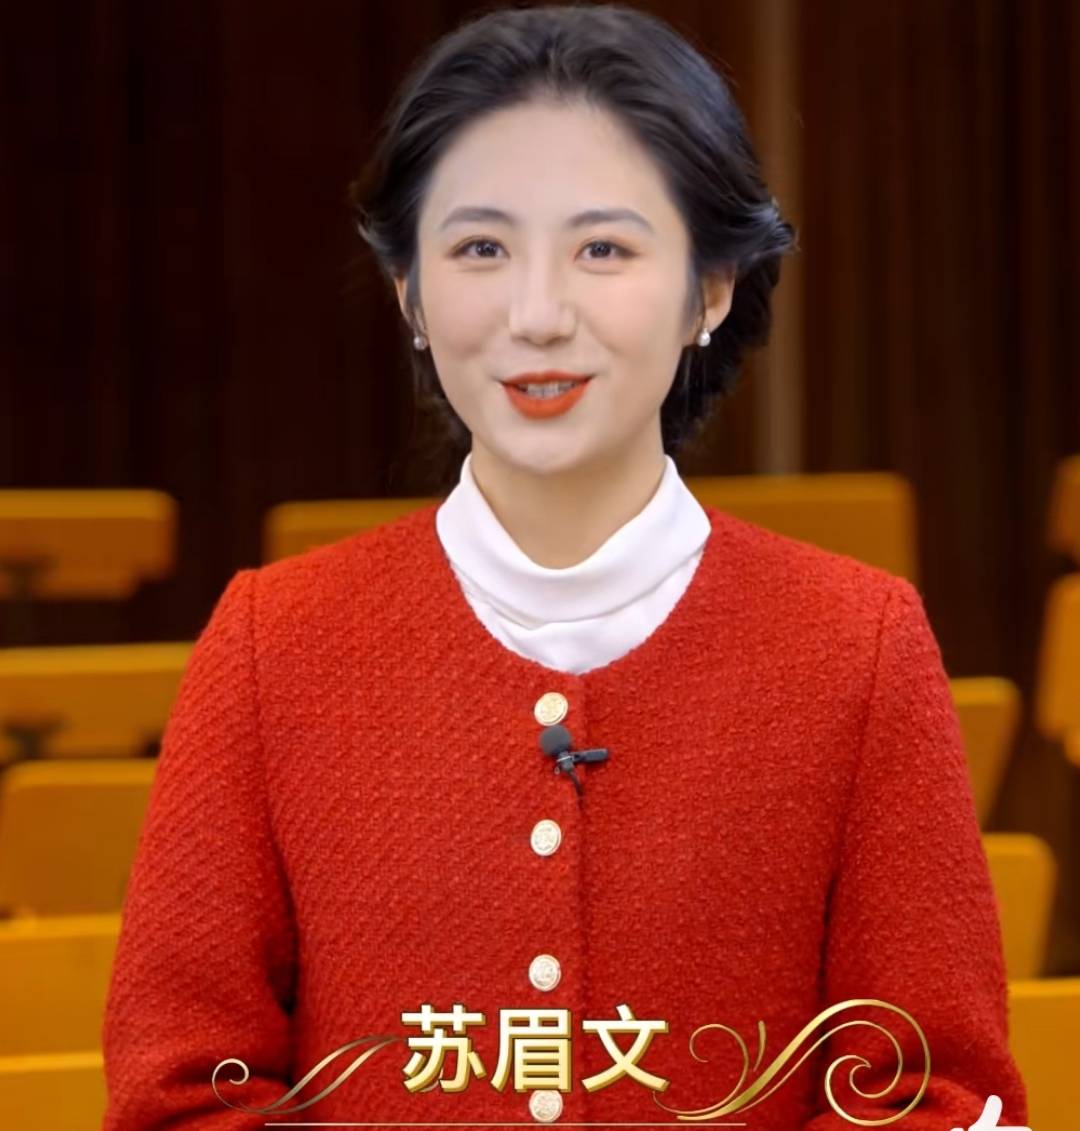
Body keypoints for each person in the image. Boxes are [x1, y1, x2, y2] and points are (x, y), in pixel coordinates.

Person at [100, 4, 1028, 1129]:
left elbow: (929, 1093)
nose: (537, 316)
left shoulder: (859, 646)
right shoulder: (270, 645)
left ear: (712, 286)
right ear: (408, 290)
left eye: (604, 249)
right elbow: (180, 1092)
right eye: (480, 249)